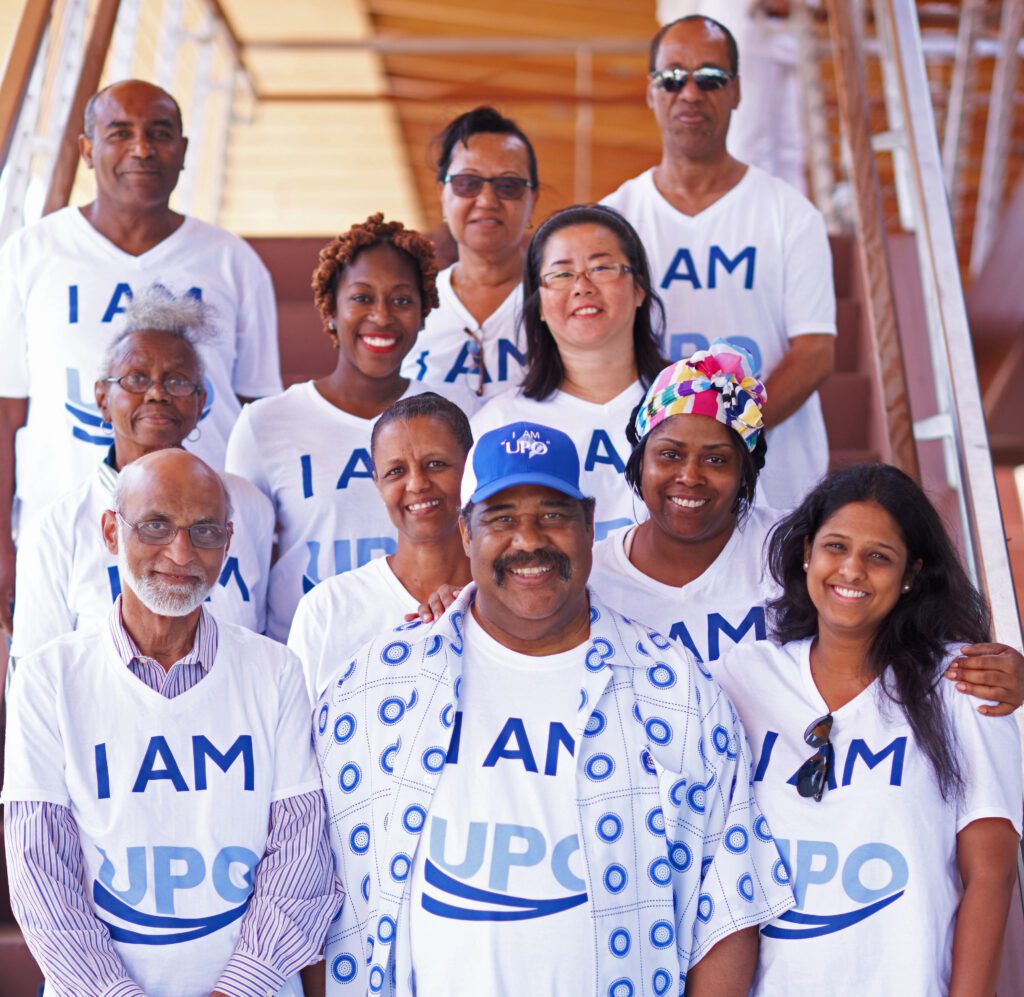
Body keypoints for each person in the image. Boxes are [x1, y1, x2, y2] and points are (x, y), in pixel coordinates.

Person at [314, 420, 794, 996]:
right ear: (466, 533)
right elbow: (325, 893)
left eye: (552, 515)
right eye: (502, 518)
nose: (528, 540)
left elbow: (728, 912)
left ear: (589, 524)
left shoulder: (677, 694)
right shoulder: (374, 687)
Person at [2, 448, 339, 997]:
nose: (181, 552)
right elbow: (42, 875)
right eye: (156, 525)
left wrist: (236, 990)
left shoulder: (275, 672)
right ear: (112, 532)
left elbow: (300, 862)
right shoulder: (48, 678)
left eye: (204, 531)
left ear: (228, 544)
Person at [710, 464, 1022, 993]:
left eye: (879, 557)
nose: (851, 570)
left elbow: (989, 876)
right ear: (807, 551)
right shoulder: (743, 677)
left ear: (910, 575)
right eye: (835, 547)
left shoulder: (961, 684)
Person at [593, 344, 1024, 709]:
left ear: (747, 471)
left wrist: (995, 672)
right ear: (639, 460)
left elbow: (905, 629)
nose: (690, 475)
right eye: (669, 454)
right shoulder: (593, 576)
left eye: (717, 459)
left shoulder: (804, 550)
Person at [0, 79, 281, 635]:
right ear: (86, 149)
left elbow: (259, 417)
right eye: (120, 132)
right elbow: (8, 413)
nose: (142, 148)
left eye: (159, 133)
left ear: (182, 148)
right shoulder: (34, 253)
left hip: (198, 539)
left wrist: (258, 529)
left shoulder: (231, 262)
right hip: (67, 538)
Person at [602, 15, 836, 510]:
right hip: (652, 479)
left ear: (736, 91)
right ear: (650, 91)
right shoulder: (612, 219)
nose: (690, 92)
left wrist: (734, 434)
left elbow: (815, 350)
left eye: (710, 78)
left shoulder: (789, 212)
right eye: (672, 77)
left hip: (776, 482)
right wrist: (676, 444)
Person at [226, 214, 475, 642]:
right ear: (330, 310)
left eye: (401, 300)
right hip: (309, 661)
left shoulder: (458, 412)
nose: (381, 316)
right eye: (362, 298)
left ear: (422, 313)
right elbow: (241, 568)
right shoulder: (265, 424)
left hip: (431, 652)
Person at [10, 288, 274, 661]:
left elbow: (259, 642)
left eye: (178, 381)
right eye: (136, 379)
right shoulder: (57, 527)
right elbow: (35, 672)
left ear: (200, 403)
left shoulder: (247, 505)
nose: (156, 394)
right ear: (102, 399)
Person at [470, 204, 665, 541]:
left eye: (601, 267)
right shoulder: (500, 423)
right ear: (539, 303)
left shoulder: (692, 402)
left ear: (639, 289)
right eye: (561, 274)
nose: (582, 286)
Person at [288, 392, 473, 702]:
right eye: (396, 471)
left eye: (436, 464)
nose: (417, 484)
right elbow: (295, 743)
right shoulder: (328, 609)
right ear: (377, 483)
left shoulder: (506, 598)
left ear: (471, 469)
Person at [401, 106, 537, 401]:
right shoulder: (410, 305)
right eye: (467, 184)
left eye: (509, 185)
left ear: (532, 199)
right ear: (442, 194)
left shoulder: (562, 302)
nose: (487, 200)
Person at [656, 1, 808, 193]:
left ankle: (788, 218)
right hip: (744, 22)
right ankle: (747, 215)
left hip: (784, 32)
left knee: (789, 146)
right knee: (746, 141)